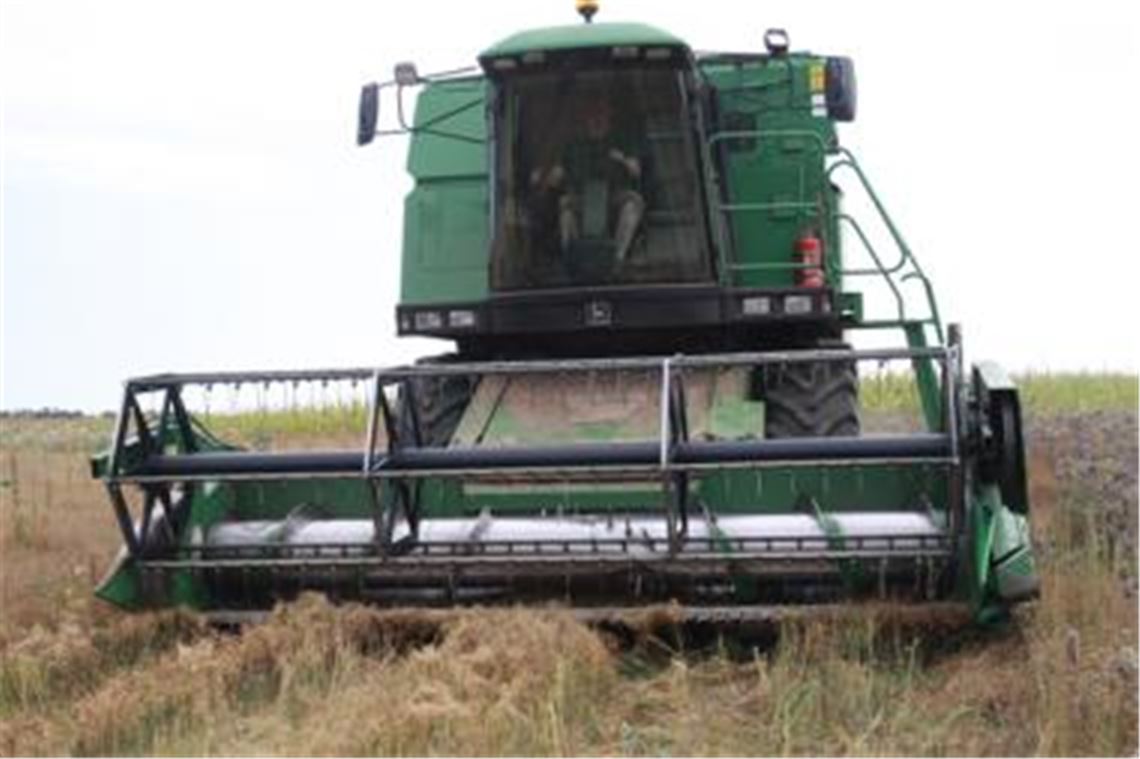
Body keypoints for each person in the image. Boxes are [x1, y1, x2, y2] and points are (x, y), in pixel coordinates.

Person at [529, 95, 646, 263]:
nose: (597, 118)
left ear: (610, 114)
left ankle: (618, 259)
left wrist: (622, 160)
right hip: (581, 200)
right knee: (566, 209)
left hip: (615, 198)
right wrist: (541, 176)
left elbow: (636, 170)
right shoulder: (574, 146)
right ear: (585, 118)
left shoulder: (623, 140)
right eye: (592, 114)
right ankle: (572, 258)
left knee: (633, 204)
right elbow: (557, 173)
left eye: (601, 113)